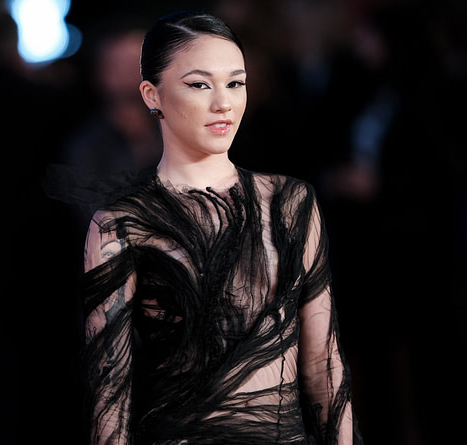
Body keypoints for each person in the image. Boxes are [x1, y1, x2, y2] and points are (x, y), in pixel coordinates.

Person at [81, 10, 362, 445]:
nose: (223, 103)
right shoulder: (121, 227)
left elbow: (324, 364)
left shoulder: (291, 204)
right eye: (199, 84)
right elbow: (110, 394)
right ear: (151, 94)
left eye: (235, 82)